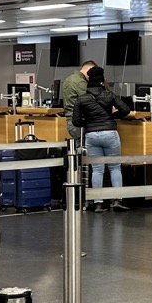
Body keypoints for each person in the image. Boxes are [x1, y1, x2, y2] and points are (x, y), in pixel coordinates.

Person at [73, 65, 132, 211]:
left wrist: (89, 122)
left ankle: (98, 202)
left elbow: (76, 121)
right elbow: (125, 110)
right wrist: (112, 116)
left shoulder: (82, 99)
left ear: (89, 80)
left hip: (91, 135)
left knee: (97, 169)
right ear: (102, 80)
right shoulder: (109, 95)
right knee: (115, 167)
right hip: (109, 133)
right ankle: (117, 200)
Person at [61, 59, 95, 140]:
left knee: (78, 148)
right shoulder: (80, 82)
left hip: (71, 121)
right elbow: (89, 100)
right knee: (83, 149)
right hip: (79, 122)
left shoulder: (70, 78)